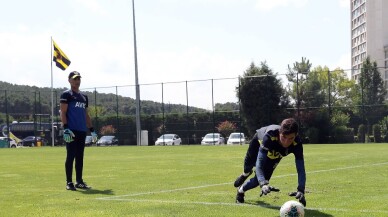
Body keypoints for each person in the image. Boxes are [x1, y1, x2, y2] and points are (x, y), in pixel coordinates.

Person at [234, 118, 306, 206]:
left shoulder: (297, 143)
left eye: (291, 138)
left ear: (296, 135)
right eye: (284, 137)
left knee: (259, 180)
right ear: (279, 132)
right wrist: (262, 183)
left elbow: (301, 169)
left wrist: (301, 190)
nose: (286, 142)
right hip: (258, 144)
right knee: (248, 168)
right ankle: (245, 174)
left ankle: (240, 191)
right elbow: (259, 164)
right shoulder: (269, 136)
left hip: (274, 152)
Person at [60, 71, 98, 191]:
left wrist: (91, 130)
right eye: (74, 79)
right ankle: (69, 182)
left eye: (78, 79)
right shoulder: (66, 95)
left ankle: (79, 181)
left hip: (82, 130)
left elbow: (86, 114)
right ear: (69, 80)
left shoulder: (84, 97)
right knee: (70, 155)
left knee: (80, 156)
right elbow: (63, 112)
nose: (77, 81)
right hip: (71, 130)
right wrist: (66, 128)